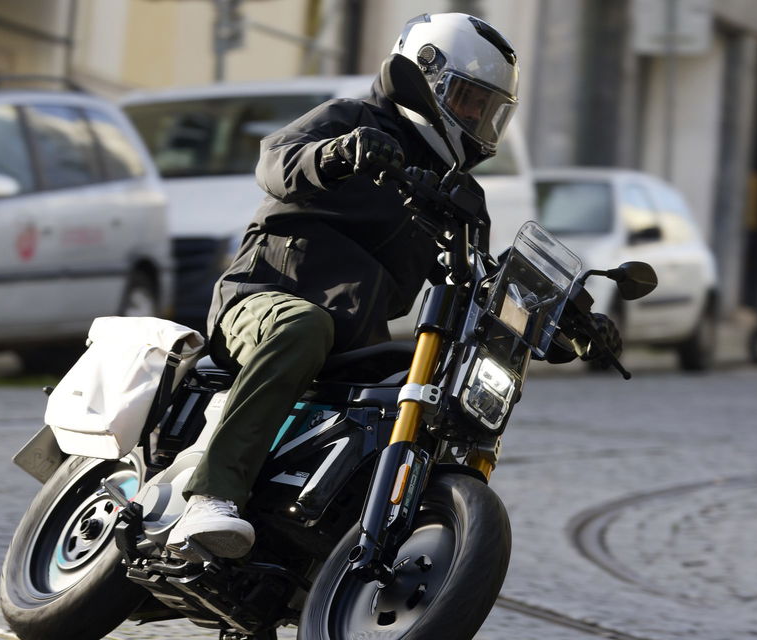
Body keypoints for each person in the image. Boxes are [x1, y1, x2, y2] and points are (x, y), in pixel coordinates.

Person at [167, 12, 620, 560]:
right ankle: (211, 496)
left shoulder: (460, 196)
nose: (476, 117)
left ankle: (335, 529)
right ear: (425, 77)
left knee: (427, 386)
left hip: (351, 338)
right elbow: (276, 161)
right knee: (302, 326)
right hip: (263, 300)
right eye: (468, 99)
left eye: (487, 108)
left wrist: (565, 316)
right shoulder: (355, 119)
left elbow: (480, 274)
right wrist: (337, 154)